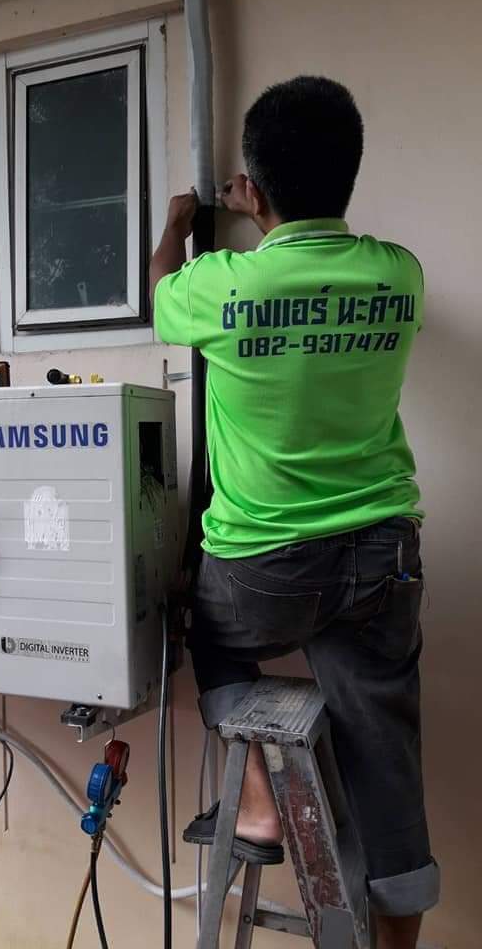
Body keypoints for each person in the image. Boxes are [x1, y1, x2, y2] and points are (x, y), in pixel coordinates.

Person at [151, 76, 438, 949]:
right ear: (350, 175)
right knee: (385, 760)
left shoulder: (222, 285)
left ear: (253, 189)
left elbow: (160, 291)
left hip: (263, 572)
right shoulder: (399, 273)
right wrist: (277, 216)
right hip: (382, 560)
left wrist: (178, 226)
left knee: (209, 634)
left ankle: (258, 804)